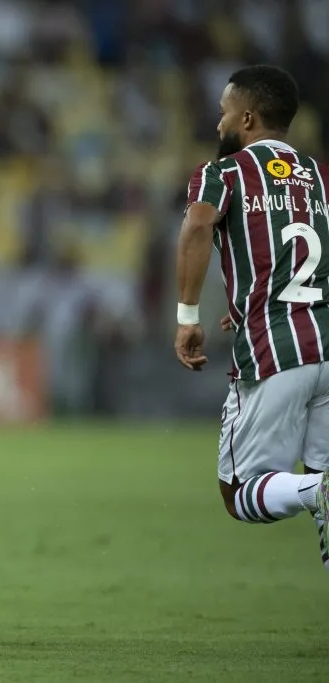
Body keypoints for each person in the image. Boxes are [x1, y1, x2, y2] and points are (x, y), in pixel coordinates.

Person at [175, 64, 329, 568]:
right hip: (325, 344)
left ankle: (317, 489)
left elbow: (198, 225)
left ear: (246, 116)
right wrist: (253, 296)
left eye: (223, 113)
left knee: (241, 493)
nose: (218, 124)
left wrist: (188, 315)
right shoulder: (319, 177)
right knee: (323, 503)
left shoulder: (223, 172)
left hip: (275, 350)